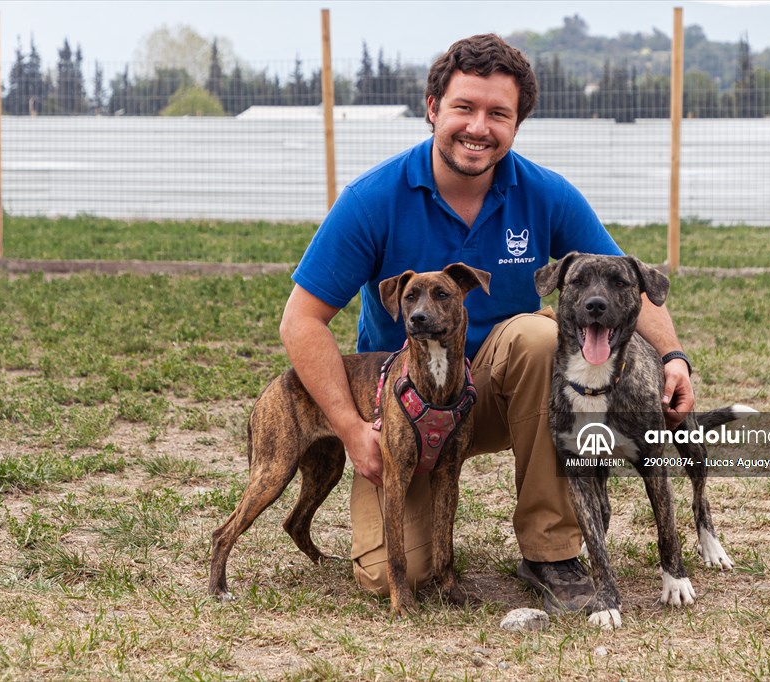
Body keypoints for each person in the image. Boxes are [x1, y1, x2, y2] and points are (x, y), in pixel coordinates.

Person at [279, 33, 695, 612]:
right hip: (409, 412)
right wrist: (352, 428)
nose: (478, 127)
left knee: (544, 335)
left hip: (500, 396)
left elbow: (628, 282)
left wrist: (674, 358)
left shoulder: (545, 193)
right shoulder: (373, 199)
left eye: (498, 113)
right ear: (433, 109)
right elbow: (301, 321)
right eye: (463, 108)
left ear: (517, 123)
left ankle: (551, 552)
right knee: (390, 577)